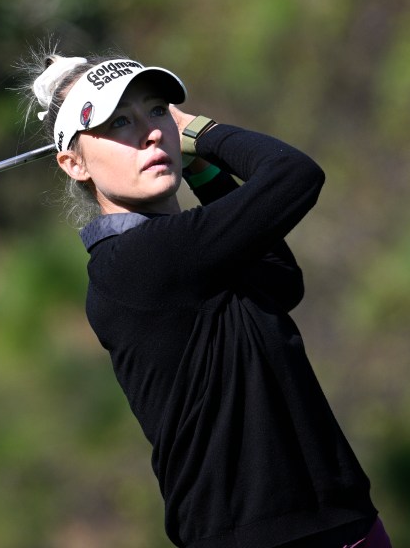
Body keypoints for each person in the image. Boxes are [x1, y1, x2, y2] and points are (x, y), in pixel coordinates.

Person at [22, 50, 392, 548]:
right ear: (75, 164)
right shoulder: (135, 262)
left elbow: (281, 281)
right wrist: (204, 132)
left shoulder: (192, 252)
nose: (153, 132)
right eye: (119, 123)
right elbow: (294, 174)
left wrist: (201, 171)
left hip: (346, 523)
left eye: (157, 111)